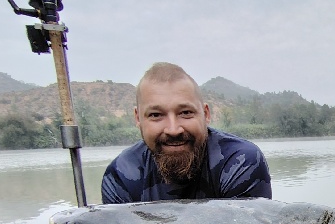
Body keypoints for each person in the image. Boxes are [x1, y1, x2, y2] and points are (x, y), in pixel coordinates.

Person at [101, 62, 272, 204]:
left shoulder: (239, 161)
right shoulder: (121, 175)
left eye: (185, 113)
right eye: (156, 115)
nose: (173, 130)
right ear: (138, 118)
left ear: (206, 114)